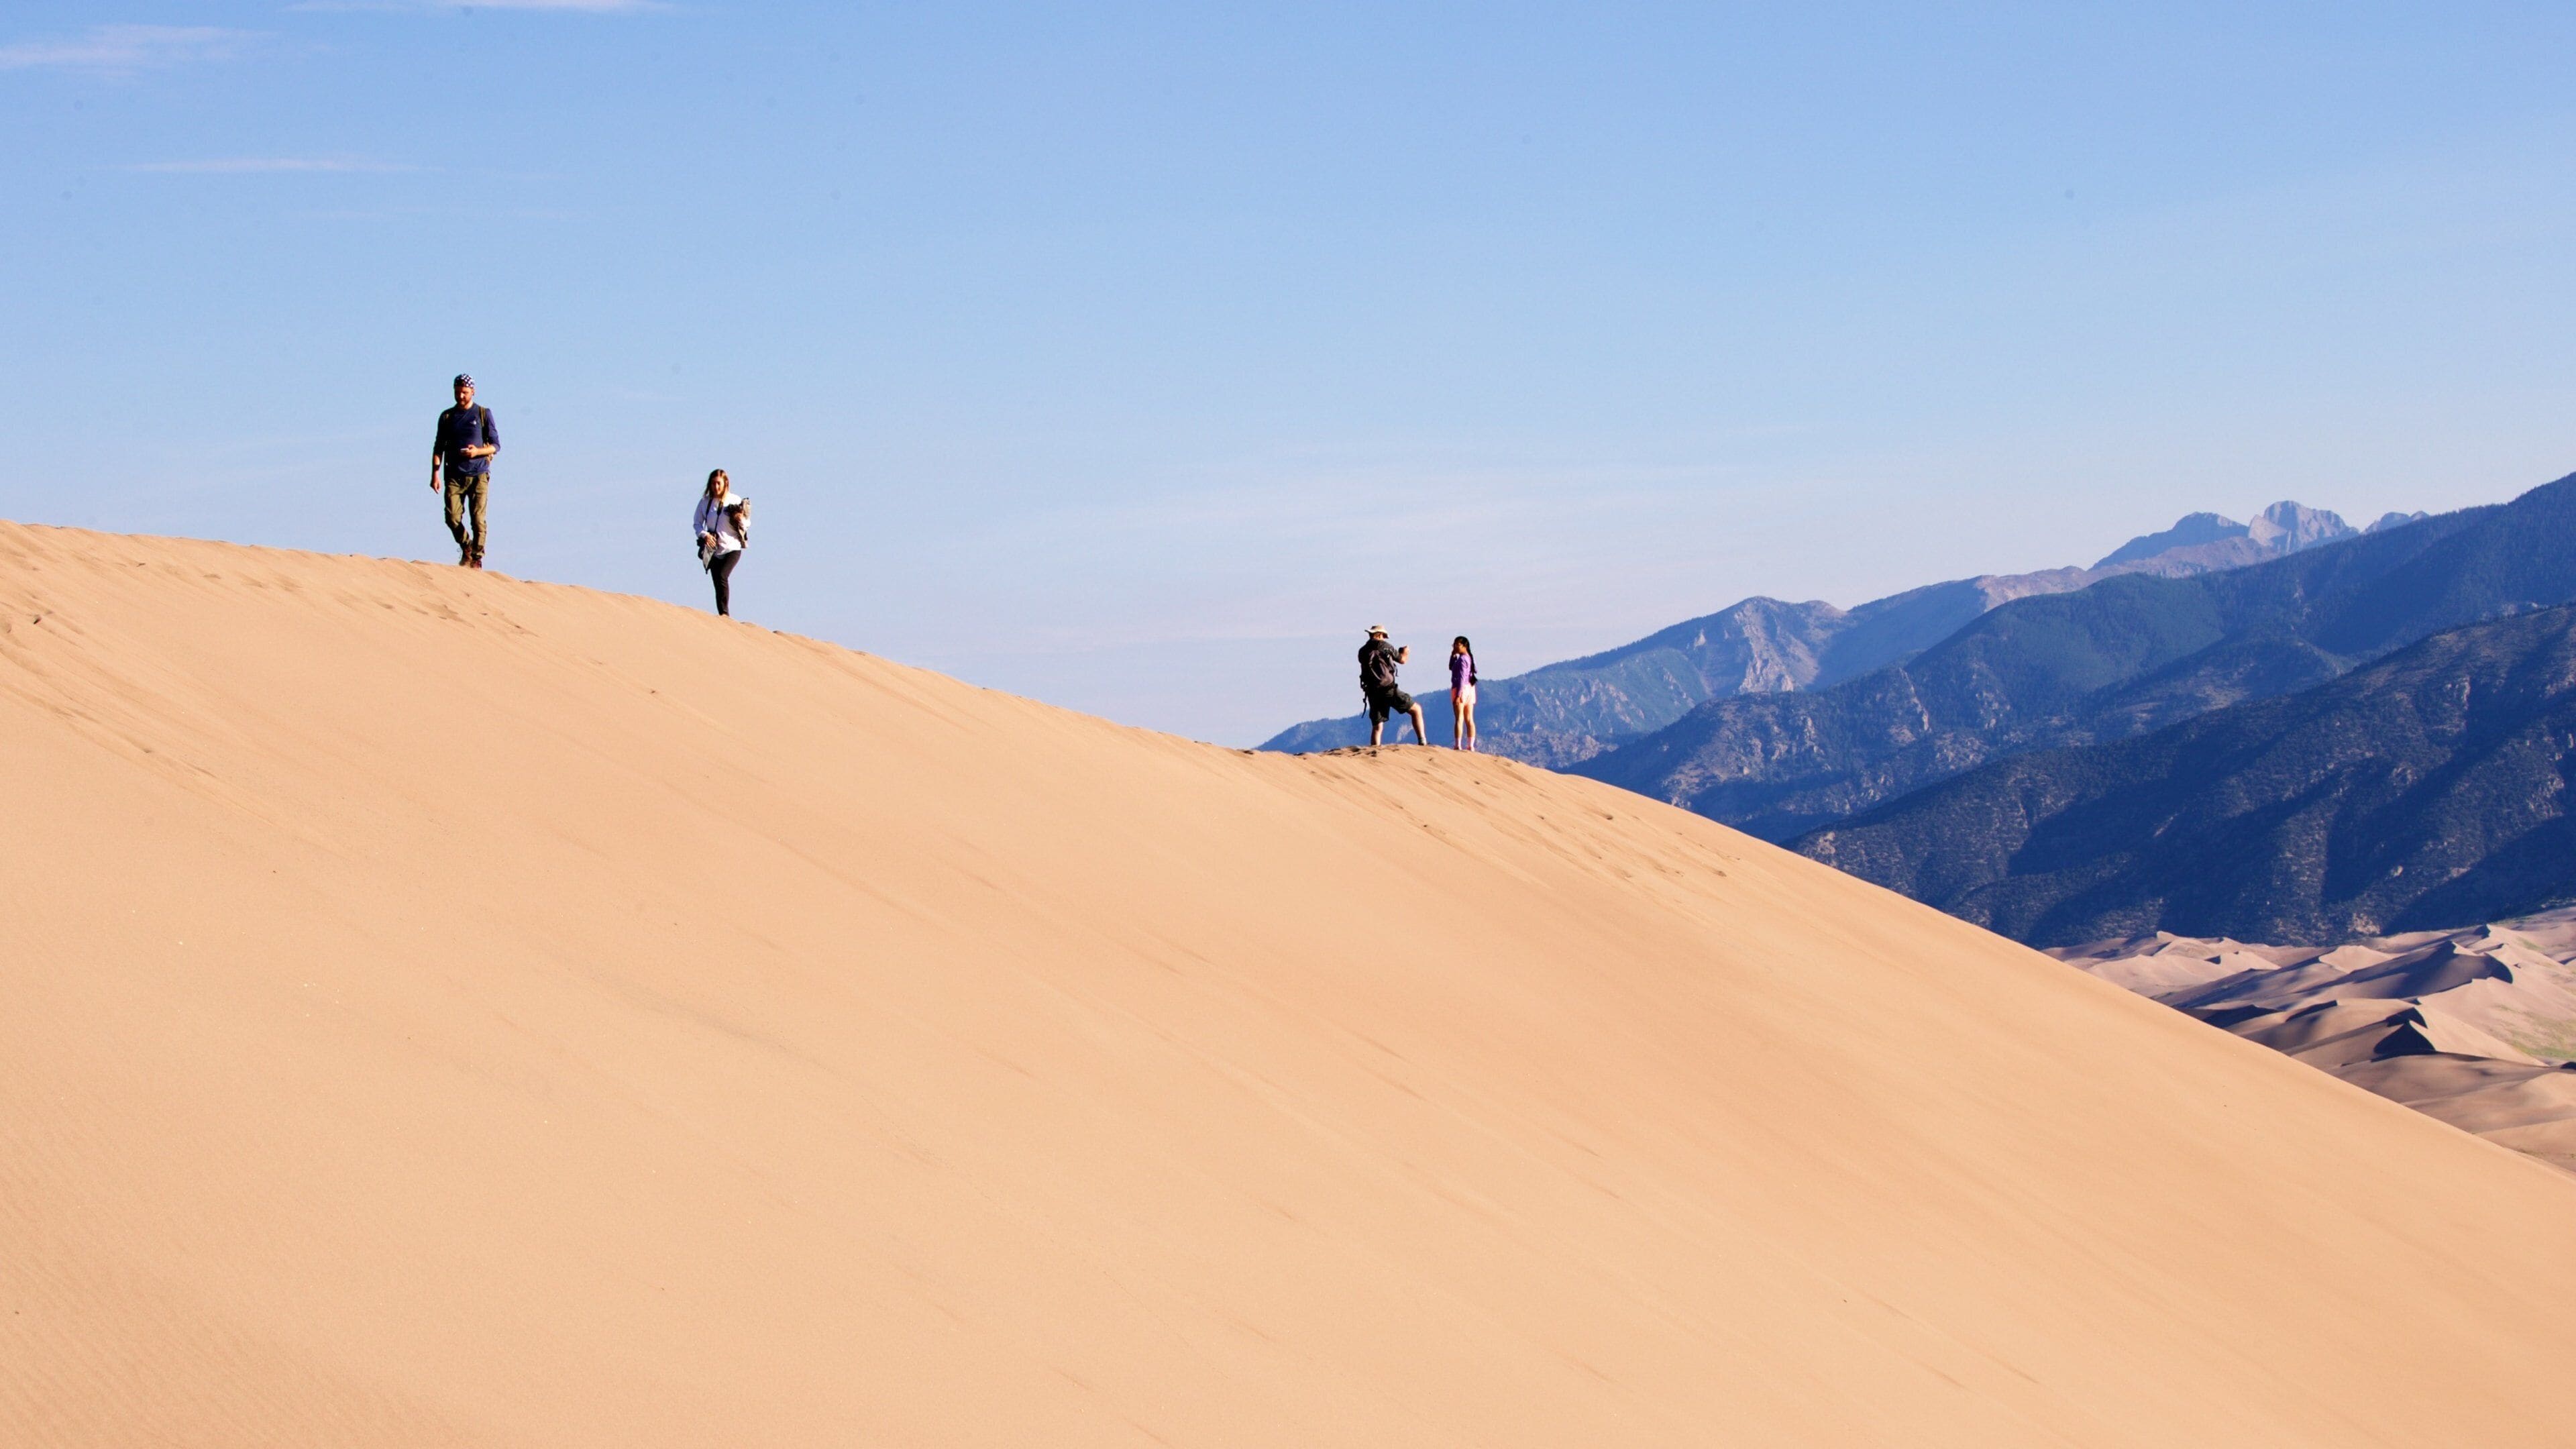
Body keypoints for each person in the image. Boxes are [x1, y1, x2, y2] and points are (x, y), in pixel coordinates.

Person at [430, 374, 498, 568]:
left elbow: (496, 446)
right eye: (458, 392)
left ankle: (476, 558)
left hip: (479, 474)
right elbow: (438, 448)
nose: (461, 396)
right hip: (454, 475)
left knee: (478, 520)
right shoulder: (447, 417)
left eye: (465, 393)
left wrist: (477, 452)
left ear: (473, 392)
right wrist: (435, 474)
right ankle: (466, 546)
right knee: (452, 517)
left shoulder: (483, 414)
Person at [692, 470, 751, 616]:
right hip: (713, 550)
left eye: (719, 483)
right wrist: (705, 535)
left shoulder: (734, 500)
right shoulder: (705, 502)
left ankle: (725, 616)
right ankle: (723, 616)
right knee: (718, 583)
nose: (716, 487)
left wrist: (740, 519)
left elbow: (747, 523)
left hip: (732, 548)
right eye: (713, 483)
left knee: (722, 576)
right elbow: (697, 523)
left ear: (726, 484)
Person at [1358, 625, 1429, 746]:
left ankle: (1375, 751)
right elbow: (1402, 660)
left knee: (1377, 727)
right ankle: (1422, 741)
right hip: (1389, 689)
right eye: (1383, 636)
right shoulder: (1386, 647)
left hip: (1372, 691)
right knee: (1416, 710)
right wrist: (1405, 652)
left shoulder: (1363, 651)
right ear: (1380, 635)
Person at [1448, 635, 1479, 751]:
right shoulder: (1469, 658)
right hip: (1470, 688)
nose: (1455, 646)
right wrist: (1453, 655)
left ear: (1464, 645)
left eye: (1458, 644)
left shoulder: (1462, 660)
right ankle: (1471, 745)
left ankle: (1458, 745)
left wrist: (1458, 695)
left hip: (1460, 689)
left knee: (1459, 718)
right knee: (1469, 718)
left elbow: (1461, 678)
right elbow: (1451, 667)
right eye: (1454, 644)